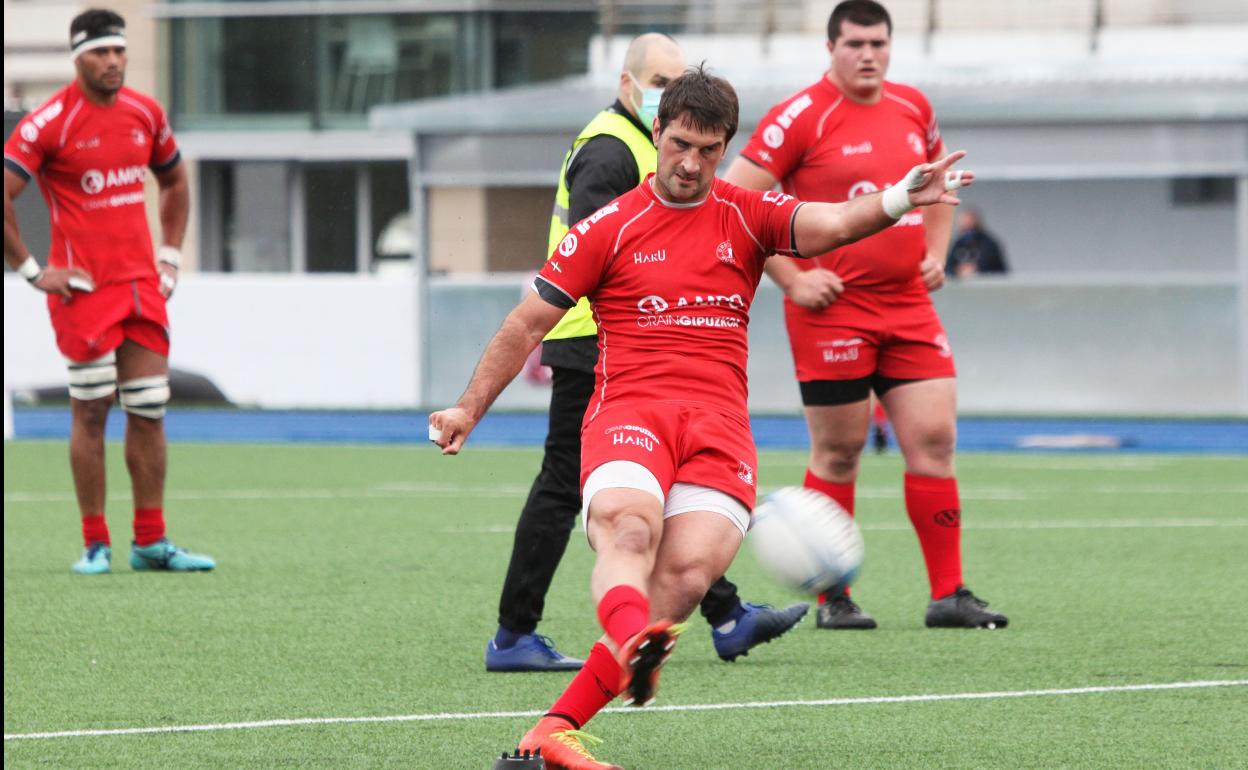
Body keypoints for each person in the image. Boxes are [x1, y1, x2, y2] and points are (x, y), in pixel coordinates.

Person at [432, 65, 973, 769]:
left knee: (686, 579)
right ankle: (633, 642)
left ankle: (552, 732)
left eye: (708, 150)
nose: (690, 163)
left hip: (719, 428)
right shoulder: (609, 227)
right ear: (657, 131)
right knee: (628, 530)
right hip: (631, 413)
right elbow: (526, 323)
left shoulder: (748, 214)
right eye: (680, 143)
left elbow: (836, 221)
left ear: (725, 148)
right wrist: (469, 407)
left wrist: (903, 196)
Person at [485, 33, 808, 675]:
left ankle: (721, 611)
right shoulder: (611, 148)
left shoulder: (648, 140)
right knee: (563, 485)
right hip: (598, 338)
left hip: (618, 338)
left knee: (655, 489)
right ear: (630, 84)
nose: (669, 88)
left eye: (677, 76)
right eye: (658, 78)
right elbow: (615, 247)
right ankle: (515, 632)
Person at [724, 0, 1006, 631]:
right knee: (842, 450)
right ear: (832, 48)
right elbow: (735, 202)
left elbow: (937, 184)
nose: (869, 54)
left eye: (879, 42)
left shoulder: (914, 106)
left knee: (935, 440)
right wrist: (793, 279)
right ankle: (833, 597)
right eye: (855, 43)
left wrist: (934, 252)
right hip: (833, 313)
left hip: (908, 305)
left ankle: (949, 593)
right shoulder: (800, 116)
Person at [3, 9, 215, 575]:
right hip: (83, 291)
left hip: (142, 287)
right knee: (91, 413)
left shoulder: (146, 112)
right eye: (101, 52)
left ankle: (150, 541)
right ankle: (94, 542)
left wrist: (169, 256)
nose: (114, 61)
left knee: (149, 408)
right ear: (79, 58)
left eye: (119, 51)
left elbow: (173, 180)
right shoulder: (48, 122)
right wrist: (31, 270)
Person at [948, 208, 1008, 277]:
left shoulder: (988, 243)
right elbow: (949, 266)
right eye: (963, 227)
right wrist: (957, 270)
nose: (966, 232)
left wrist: (974, 269)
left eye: (968, 228)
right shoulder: (959, 243)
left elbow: (990, 265)